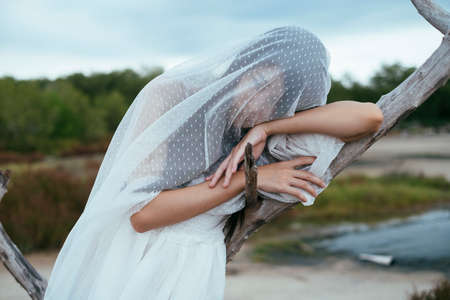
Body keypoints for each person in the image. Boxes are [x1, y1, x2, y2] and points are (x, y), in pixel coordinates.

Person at [43, 25, 383, 300]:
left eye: (278, 96)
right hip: (135, 259)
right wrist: (252, 179)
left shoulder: (264, 133)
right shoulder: (171, 96)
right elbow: (142, 216)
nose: (260, 100)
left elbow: (370, 117)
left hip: (196, 266)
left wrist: (270, 127)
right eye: (259, 80)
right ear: (242, 66)